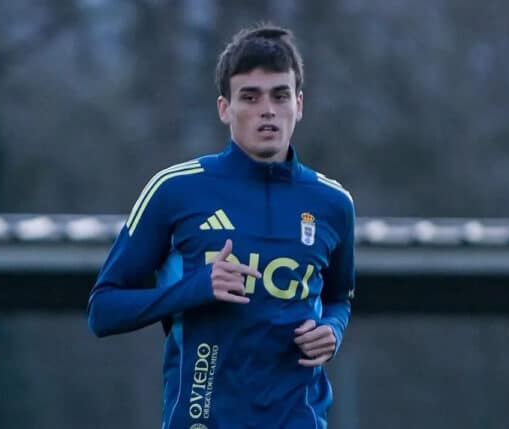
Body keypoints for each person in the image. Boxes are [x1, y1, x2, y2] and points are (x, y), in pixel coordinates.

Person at [87, 23, 355, 429]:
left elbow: (340, 298)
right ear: (224, 108)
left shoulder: (334, 204)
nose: (267, 109)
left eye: (280, 95)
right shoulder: (175, 190)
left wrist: (332, 331)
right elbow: (103, 310)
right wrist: (196, 288)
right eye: (250, 96)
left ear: (299, 104)